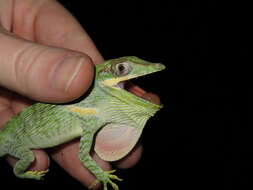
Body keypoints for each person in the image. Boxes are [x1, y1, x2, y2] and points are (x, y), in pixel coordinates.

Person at [0, 0, 159, 188]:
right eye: (122, 69)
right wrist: (102, 175)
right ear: (101, 80)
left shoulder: (90, 113)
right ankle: (19, 173)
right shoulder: (88, 117)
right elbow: (83, 155)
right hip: (10, 140)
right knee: (28, 157)